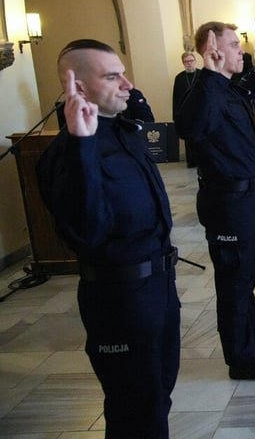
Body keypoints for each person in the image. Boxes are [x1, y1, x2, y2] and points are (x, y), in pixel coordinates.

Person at [37, 39, 180, 438]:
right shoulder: (66, 154)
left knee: (156, 397)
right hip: (120, 301)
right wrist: (82, 145)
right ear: (78, 87)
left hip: (159, 289)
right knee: (134, 409)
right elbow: (87, 232)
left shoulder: (122, 133)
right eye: (113, 76)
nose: (128, 84)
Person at [174, 22, 255, 381]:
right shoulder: (204, 90)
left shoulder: (227, 88)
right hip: (226, 202)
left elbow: (248, 89)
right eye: (234, 46)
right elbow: (190, 128)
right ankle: (241, 360)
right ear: (213, 50)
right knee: (234, 281)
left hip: (245, 199)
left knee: (247, 274)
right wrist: (207, 71)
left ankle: (250, 343)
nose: (242, 50)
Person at [172, 51, 198, 167]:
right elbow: (175, 98)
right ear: (183, 63)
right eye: (186, 62)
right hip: (185, 114)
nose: (189, 64)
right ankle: (191, 161)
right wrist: (176, 115)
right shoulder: (179, 78)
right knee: (189, 139)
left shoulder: (202, 75)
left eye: (191, 61)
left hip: (200, 112)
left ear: (195, 61)